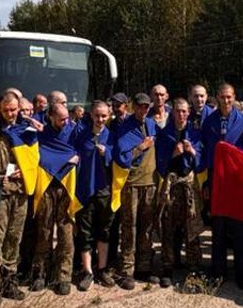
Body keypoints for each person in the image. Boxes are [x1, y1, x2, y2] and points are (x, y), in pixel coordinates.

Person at [0, 94, 33, 303]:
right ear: (0, 109)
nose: (10, 114)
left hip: (20, 192)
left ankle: (9, 279)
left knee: (15, 236)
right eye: (6, 110)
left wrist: (25, 171)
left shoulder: (27, 131)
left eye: (14, 110)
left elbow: (33, 160)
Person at [201, 84, 243, 286]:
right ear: (217, 97)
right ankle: (218, 271)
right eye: (222, 97)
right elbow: (205, 149)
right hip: (216, 179)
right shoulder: (209, 121)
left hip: (236, 180)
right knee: (218, 226)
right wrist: (206, 179)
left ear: (234, 97)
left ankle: (241, 271)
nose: (226, 100)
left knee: (238, 227)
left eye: (229, 97)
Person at [112, 93, 160, 289]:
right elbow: (120, 156)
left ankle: (144, 268)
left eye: (147, 107)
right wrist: (141, 147)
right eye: (140, 106)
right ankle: (126, 270)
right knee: (129, 228)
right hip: (131, 184)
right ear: (133, 106)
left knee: (146, 228)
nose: (143, 110)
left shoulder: (152, 124)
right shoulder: (125, 128)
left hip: (150, 183)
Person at [30, 103, 78, 296]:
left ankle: (63, 276)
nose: (65, 121)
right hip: (47, 186)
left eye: (67, 118)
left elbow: (86, 146)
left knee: (66, 233)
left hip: (67, 187)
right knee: (44, 230)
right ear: (50, 117)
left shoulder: (74, 131)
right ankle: (40, 273)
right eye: (61, 119)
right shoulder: (41, 133)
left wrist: (77, 157)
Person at [156, 98, 204, 290]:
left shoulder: (195, 132)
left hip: (189, 184)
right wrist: (173, 155)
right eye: (177, 111)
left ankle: (194, 267)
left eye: (184, 111)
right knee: (168, 226)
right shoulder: (165, 133)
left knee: (191, 224)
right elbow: (159, 162)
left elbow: (202, 160)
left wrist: (193, 152)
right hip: (172, 184)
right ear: (172, 112)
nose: (181, 115)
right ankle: (168, 266)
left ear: (189, 112)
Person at [73, 100, 115, 290]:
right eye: (97, 115)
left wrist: (107, 153)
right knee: (85, 232)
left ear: (109, 116)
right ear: (91, 115)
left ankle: (102, 268)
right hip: (84, 190)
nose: (100, 119)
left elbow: (120, 159)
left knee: (104, 231)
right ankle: (87, 271)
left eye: (104, 116)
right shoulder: (80, 136)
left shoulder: (111, 136)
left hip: (105, 190)